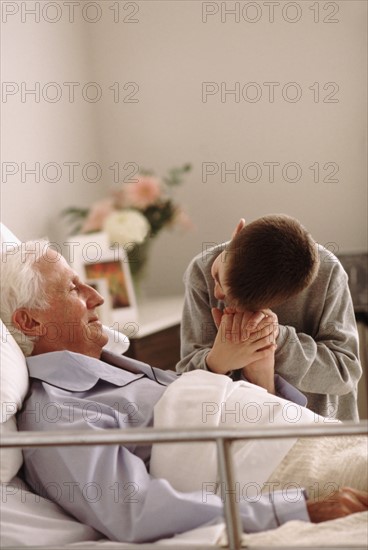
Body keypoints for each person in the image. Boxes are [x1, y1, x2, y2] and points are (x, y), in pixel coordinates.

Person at [1, 241, 367, 544]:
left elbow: (221, 414)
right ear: (29, 321)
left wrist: (258, 372)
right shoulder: (59, 412)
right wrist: (297, 510)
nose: (96, 296)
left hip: (317, 437)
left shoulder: (117, 368)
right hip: (286, 476)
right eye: (72, 288)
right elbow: (132, 510)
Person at [176, 214, 362, 421]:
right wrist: (217, 361)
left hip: (318, 427)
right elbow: (186, 378)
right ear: (238, 232)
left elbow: (346, 374)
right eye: (217, 276)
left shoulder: (329, 275)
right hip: (235, 425)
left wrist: (274, 339)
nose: (218, 294)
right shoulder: (200, 272)